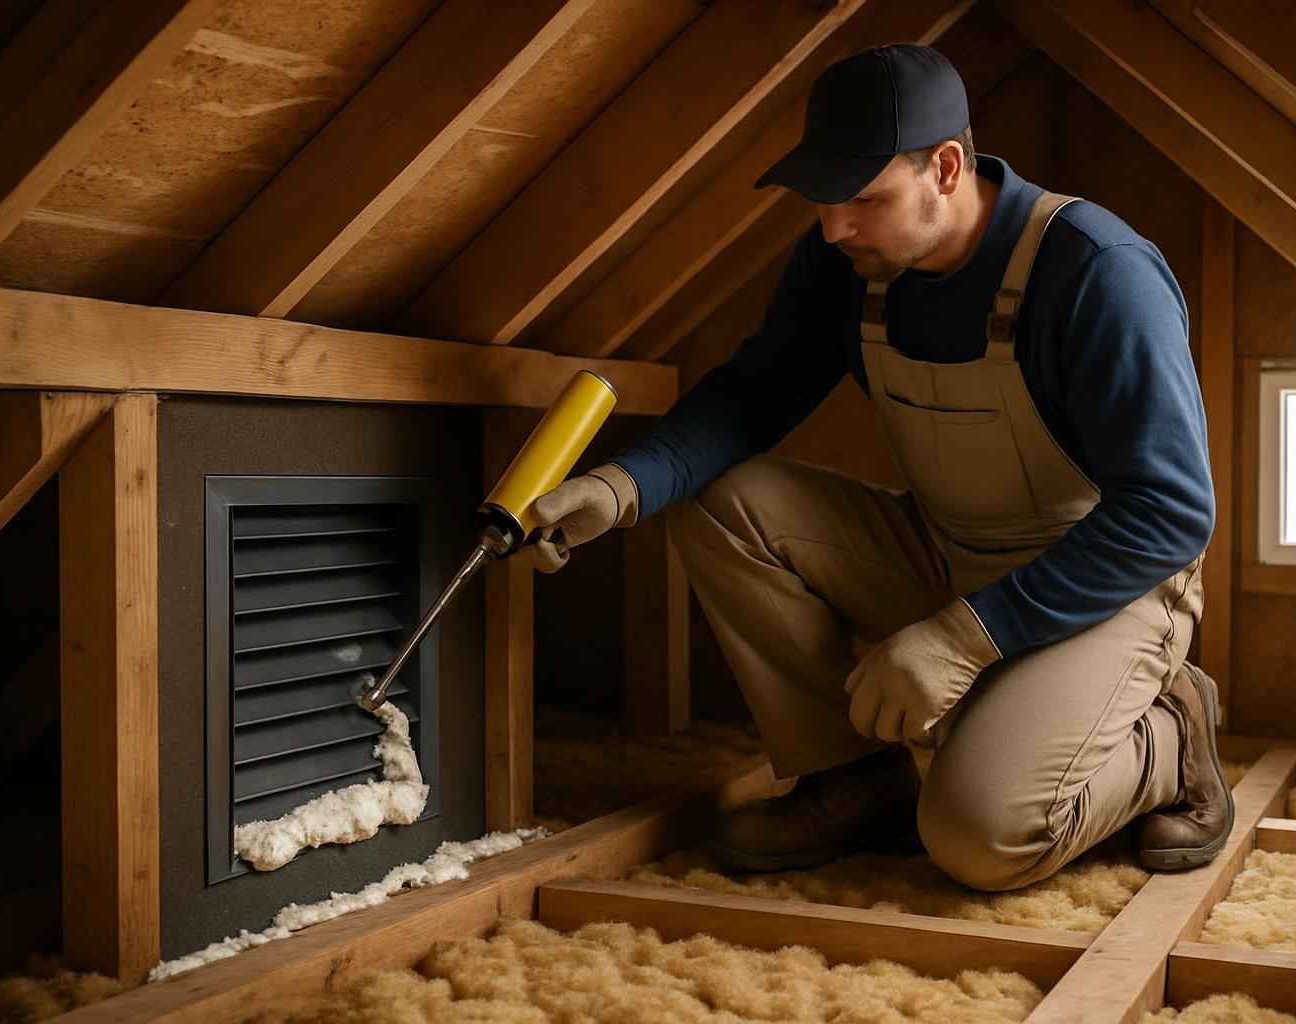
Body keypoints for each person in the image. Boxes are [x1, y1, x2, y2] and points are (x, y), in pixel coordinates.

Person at [527, 43, 1230, 892]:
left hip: (1105, 588)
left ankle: (1169, 736)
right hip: (949, 549)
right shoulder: (846, 262)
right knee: (722, 502)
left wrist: (965, 636)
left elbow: (1172, 511)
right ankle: (858, 779)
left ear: (945, 167)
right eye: (821, 199)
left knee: (982, 836)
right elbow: (755, 392)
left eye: (864, 198)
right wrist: (622, 485)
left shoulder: (1096, 272)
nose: (833, 227)